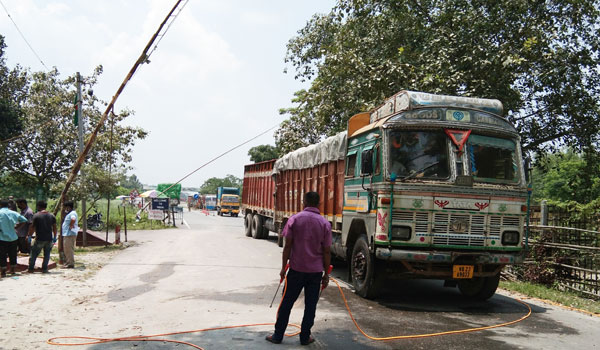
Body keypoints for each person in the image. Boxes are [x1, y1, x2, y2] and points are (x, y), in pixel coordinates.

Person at [266, 191, 332, 346]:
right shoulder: (324, 224)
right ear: (319, 204)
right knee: (310, 306)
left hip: (296, 270)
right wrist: (326, 274)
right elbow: (327, 251)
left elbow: (287, 245)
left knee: (286, 303)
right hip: (315, 273)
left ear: (304, 202)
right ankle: (304, 337)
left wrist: (283, 268)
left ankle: (278, 335)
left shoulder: (294, 220)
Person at [0, 199, 28, 277]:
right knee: (13, 254)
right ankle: (12, 270)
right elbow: (24, 220)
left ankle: (3, 272)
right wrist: (17, 227)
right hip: (13, 237)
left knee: (2, 255)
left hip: (2, 237)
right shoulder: (13, 213)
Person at [27, 201, 57, 273]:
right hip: (49, 238)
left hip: (39, 238)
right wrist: (55, 236)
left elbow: (32, 227)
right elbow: (55, 227)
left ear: (38, 206)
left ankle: (31, 269)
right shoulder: (52, 216)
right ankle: (44, 268)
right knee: (47, 254)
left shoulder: (36, 216)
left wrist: (29, 236)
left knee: (34, 253)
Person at [61, 201, 79, 268]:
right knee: (67, 249)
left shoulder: (72, 213)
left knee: (69, 249)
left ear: (68, 207)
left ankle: (70, 263)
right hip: (67, 234)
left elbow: (73, 219)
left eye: (65, 207)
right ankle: (68, 262)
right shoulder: (70, 213)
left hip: (69, 234)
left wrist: (71, 225)